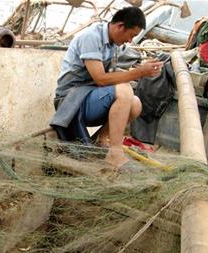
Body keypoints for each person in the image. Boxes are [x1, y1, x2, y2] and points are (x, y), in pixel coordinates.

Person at [50, 6, 163, 168]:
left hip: (89, 97)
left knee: (135, 103)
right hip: (70, 101)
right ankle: (115, 152)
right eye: (131, 35)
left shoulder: (114, 45)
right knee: (125, 89)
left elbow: (120, 66)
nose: (130, 41)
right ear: (120, 26)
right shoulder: (91, 37)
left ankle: (101, 139)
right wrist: (139, 73)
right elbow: (101, 79)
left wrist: (144, 67)